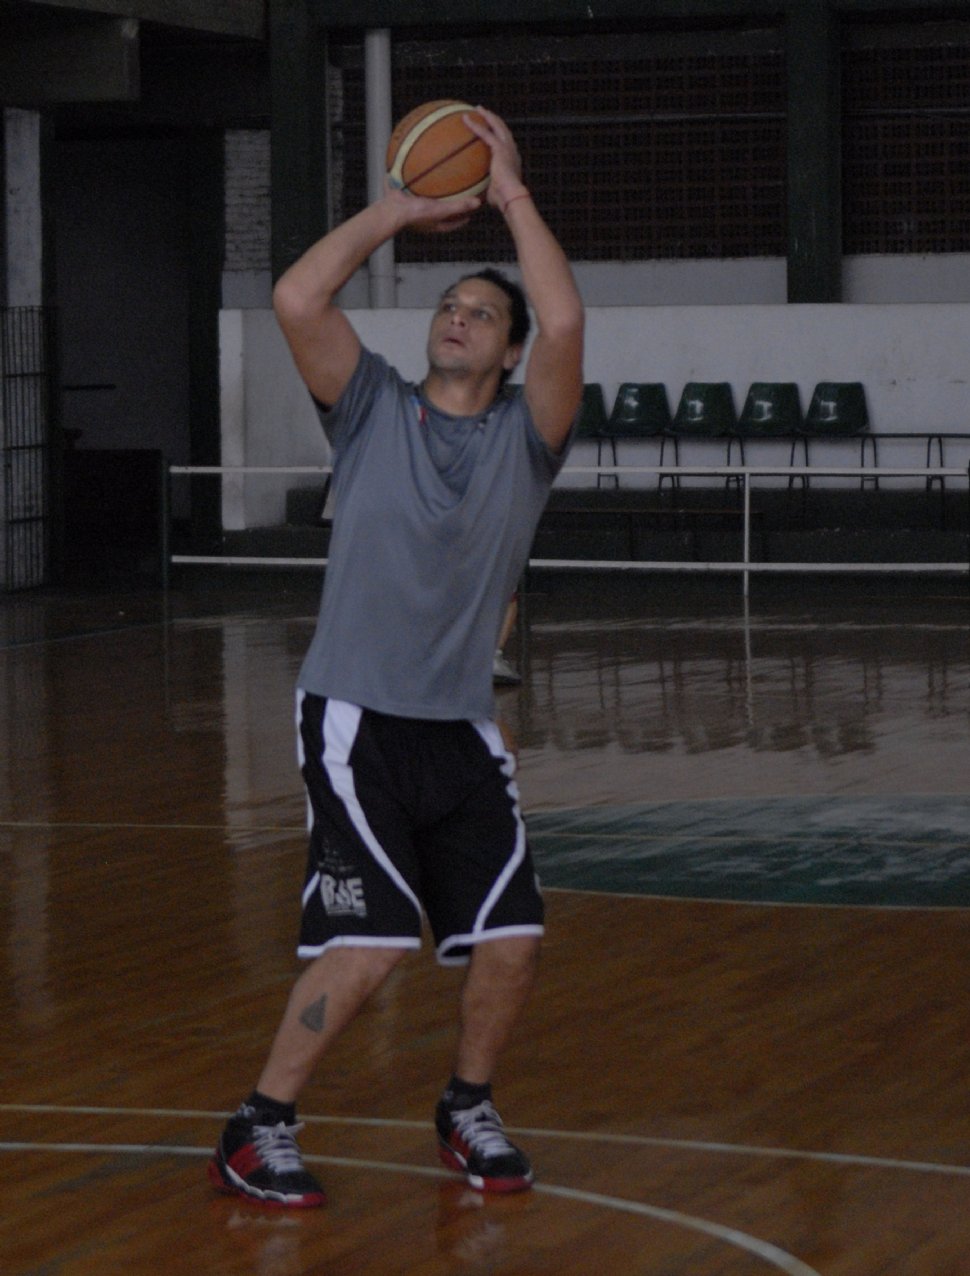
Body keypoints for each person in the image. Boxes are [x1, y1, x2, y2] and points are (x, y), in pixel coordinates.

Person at [207, 106, 584, 1208]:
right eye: (450, 306)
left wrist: (510, 194)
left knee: (513, 937)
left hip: (459, 726)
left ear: (508, 350)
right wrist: (400, 209)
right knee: (371, 945)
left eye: (482, 312)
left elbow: (564, 321)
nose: (459, 318)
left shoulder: (528, 438)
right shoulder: (371, 405)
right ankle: (258, 1126)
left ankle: (467, 1107)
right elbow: (296, 298)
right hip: (356, 719)